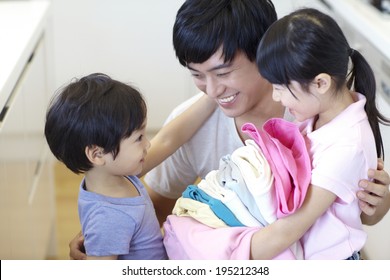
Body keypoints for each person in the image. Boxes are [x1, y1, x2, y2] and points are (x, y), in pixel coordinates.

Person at [69, 0, 390, 259]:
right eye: (197, 75)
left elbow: (344, 218)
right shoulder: (197, 119)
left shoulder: (313, 111)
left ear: (264, 53)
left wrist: (380, 205)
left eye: (223, 72)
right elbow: (154, 206)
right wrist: (108, 238)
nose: (210, 89)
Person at [249, 7, 390, 259]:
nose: (275, 97)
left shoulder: (348, 145)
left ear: (321, 83)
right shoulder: (318, 113)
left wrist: (230, 256)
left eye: (281, 88)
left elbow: (288, 231)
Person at [45, 73, 215, 260]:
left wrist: (212, 97)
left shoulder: (116, 174)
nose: (147, 145)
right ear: (97, 154)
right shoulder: (108, 217)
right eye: (138, 138)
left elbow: (170, 139)